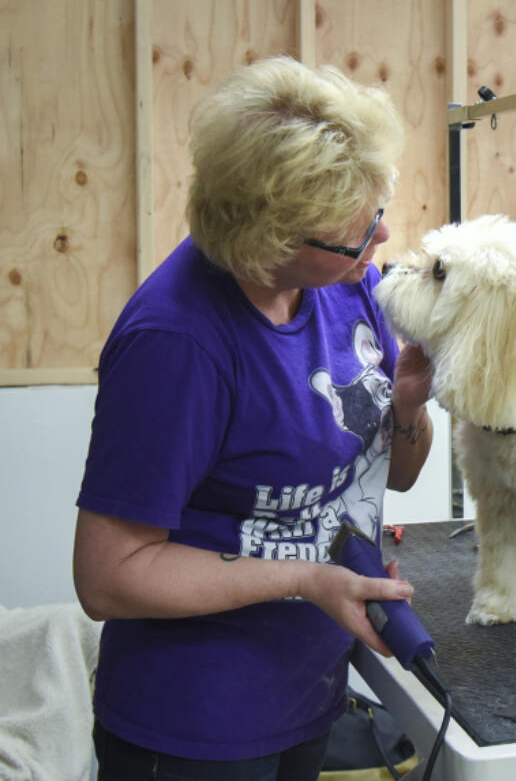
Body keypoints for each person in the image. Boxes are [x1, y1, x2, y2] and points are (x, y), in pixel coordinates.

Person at [73, 55, 434, 780]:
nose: (383, 238)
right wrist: (304, 577)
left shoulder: (345, 286)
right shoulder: (177, 344)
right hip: (192, 727)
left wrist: (404, 406)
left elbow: (394, 471)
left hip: (305, 693)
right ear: (273, 240)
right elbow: (106, 578)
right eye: (359, 232)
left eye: (380, 208)